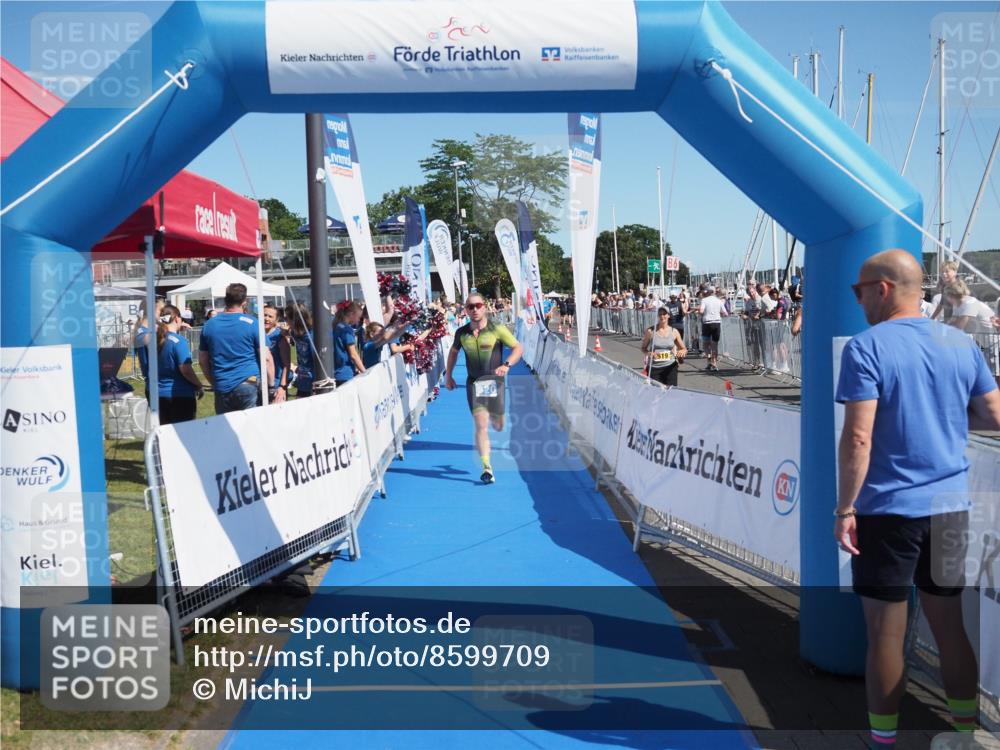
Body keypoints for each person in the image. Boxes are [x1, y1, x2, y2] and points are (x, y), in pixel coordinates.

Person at [834, 249, 1000, 749]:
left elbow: (858, 439)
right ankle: (966, 735)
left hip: (889, 511)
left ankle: (884, 742)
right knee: (949, 626)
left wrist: (845, 509)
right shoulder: (959, 342)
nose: (857, 298)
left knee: (886, 634)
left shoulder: (866, 348)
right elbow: (994, 415)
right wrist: (944, 417)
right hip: (950, 507)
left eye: (858, 289)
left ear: (882, 288)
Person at [444, 293, 523, 484]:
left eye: (478, 305)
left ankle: (499, 417)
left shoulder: (496, 328)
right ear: (465, 310)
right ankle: (487, 467)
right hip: (474, 383)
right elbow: (453, 353)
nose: (474, 309)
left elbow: (518, 348)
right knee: (481, 425)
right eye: (470, 307)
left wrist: (506, 364)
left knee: (498, 424)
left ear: (484, 307)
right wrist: (449, 375)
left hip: (494, 382)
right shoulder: (462, 333)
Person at [199, 283, 270, 414]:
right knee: (251, 428)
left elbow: (203, 360)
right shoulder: (252, 323)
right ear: (245, 302)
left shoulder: (209, 325)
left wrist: (213, 382)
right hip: (248, 382)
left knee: (226, 431)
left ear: (226, 300)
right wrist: (271, 386)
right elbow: (266, 358)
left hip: (222, 385)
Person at [155, 305, 205, 424]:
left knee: (165, 434)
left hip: (160, 394)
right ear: (177, 319)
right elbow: (185, 369)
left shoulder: (156, 340)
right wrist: (199, 385)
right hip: (180, 394)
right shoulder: (179, 341)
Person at [641, 307, 687, 386]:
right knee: (656, 393)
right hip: (654, 367)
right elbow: (643, 348)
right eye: (660, 314)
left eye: (664, 314)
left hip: (670, 367)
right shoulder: (650, 331)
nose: (662, 316)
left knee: (671, 392)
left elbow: (684, 349)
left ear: (668, 315)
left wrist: (682, 352)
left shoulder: (674, 331)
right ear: (657, 316)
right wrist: (649, 353)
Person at [286, 303, 316, 397]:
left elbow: (317, 360)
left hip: (312, 381)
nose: (286, 321)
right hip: (302, 380)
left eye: (287, 318)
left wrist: (316, 383)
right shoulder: (296, 334)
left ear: (295, 320)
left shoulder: (310, 336)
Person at [333, 301, 366, 385]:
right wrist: (365, 372)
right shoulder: (347, 330)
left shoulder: (335, 326)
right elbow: (353, 355)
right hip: (346, 373)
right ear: (351, 314)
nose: (358, 320)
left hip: (335, 372)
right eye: (358, 317)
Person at [263, 304, 291, 403]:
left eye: (270, 316)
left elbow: (286, 364)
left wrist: (282, 387)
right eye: (264, 315)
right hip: (259, 383)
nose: (266, 318)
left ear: (276, 319)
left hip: (276, 384)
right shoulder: (257, 334)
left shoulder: (280, 337)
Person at [699, 287, 728, 371]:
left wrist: (701, 313)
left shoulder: (704, 300)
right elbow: (725, 313)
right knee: (714, 345)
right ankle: (714, 363)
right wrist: (718, 313)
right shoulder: (718, 301)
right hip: (716, 323)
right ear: (714, 293)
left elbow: (701, 311)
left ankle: (709, 361)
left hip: (707, 323)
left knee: (706, 344)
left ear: (708, 292)